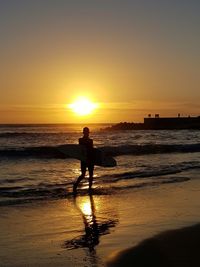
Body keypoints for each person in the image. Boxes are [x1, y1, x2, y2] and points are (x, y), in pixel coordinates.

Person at [73, 127, 94, 192]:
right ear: (83, 133)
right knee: (83, 175)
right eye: (85, 132)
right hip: (84, 159)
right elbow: (81, 149)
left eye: (87, 132)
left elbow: (92, 150)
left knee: (91, 175)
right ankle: (75, 185)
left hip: (90, 159)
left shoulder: (91, 140)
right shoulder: (80, 140)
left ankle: (90, 188)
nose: (87, 133)